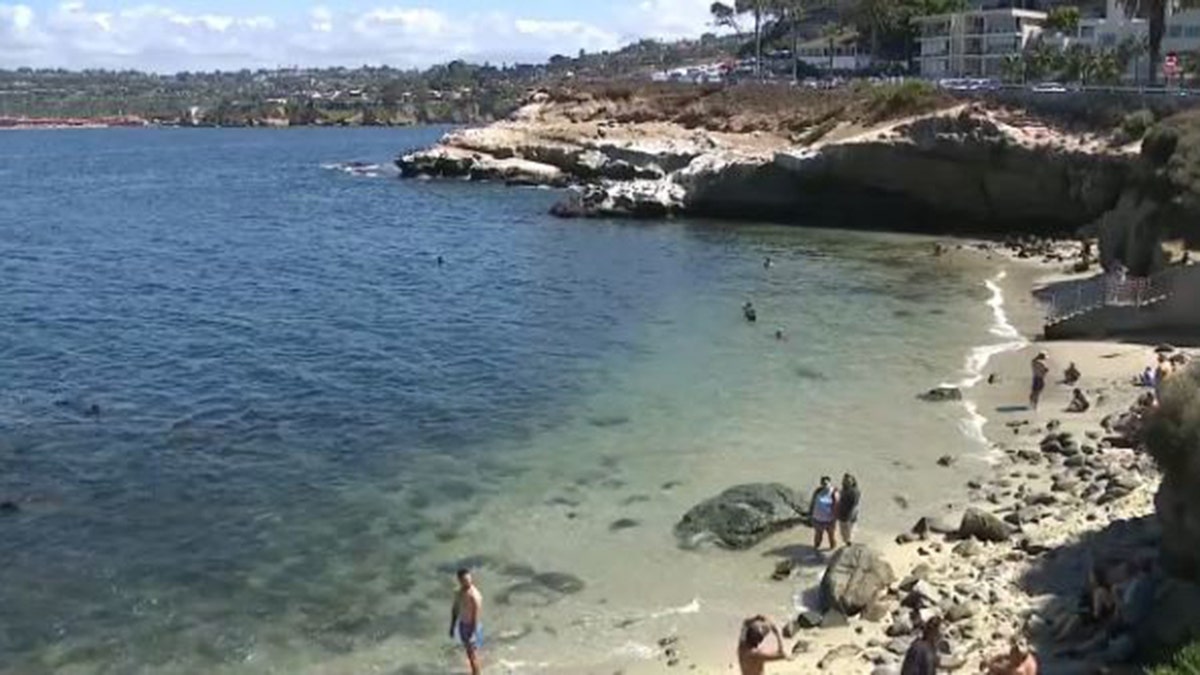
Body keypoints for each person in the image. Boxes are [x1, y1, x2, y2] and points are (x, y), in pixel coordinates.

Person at [450, 568, 483, 675]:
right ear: (460, 580)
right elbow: (455, 609)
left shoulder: (474, 595)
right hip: (462, 625)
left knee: (472, 655)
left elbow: (476, 615)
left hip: (472, 626)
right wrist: (452, 626)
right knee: (470, 654)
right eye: (465, 580)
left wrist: (473, 633)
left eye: (469, 579)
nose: (468, 582)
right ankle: (476, 671)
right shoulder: (458, 593)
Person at [809, 476, 839, 551]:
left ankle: (832, 549)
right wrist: (810, 514)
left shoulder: (834, 492)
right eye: (823, 483)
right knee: (818, 536)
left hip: (830, 520)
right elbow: (812, 502)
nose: (825, 484)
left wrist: (837, 517)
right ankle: (816, 548)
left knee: (831, 537)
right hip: (818, 519)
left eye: (826, 482)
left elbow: (838, 505)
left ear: (830, 483)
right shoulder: (818, 491)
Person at [836, 474, 860, 545]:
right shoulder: (844, 490)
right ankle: (848, 540)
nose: (847, 482)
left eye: (849, 481)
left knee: (848, 529)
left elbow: (854, 503)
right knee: (845, 531)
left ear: (853, 482)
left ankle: (849, 541)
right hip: (844, 514)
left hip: (848, 514)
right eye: (846, 481)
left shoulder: (854, 491)